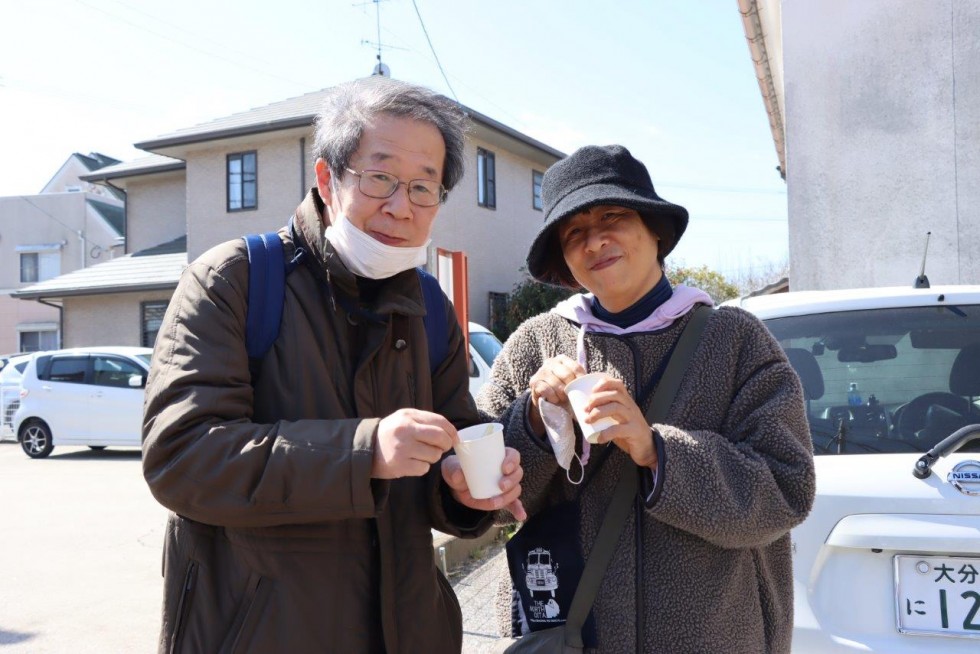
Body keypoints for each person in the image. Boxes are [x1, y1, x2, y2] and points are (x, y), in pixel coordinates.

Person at [142, 77, 525, 654]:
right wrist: (365, 451)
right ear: (327, 179)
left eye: (424, 187)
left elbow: (448, 444)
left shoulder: (430, 308)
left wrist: (465, 491)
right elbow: (182, 456)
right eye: (381, 178)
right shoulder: (233, 281)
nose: (401, 206)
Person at [478, 144, 816, 653]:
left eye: (613, 215)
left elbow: (786, 488)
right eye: (575, 232)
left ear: (656, 230)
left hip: (716, 637)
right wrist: (533, 420)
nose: (595, 240)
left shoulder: (735, 341)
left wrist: (658, 451)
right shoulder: (534, 345)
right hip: (569, 636)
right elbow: (487, 501)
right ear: (564, 260)